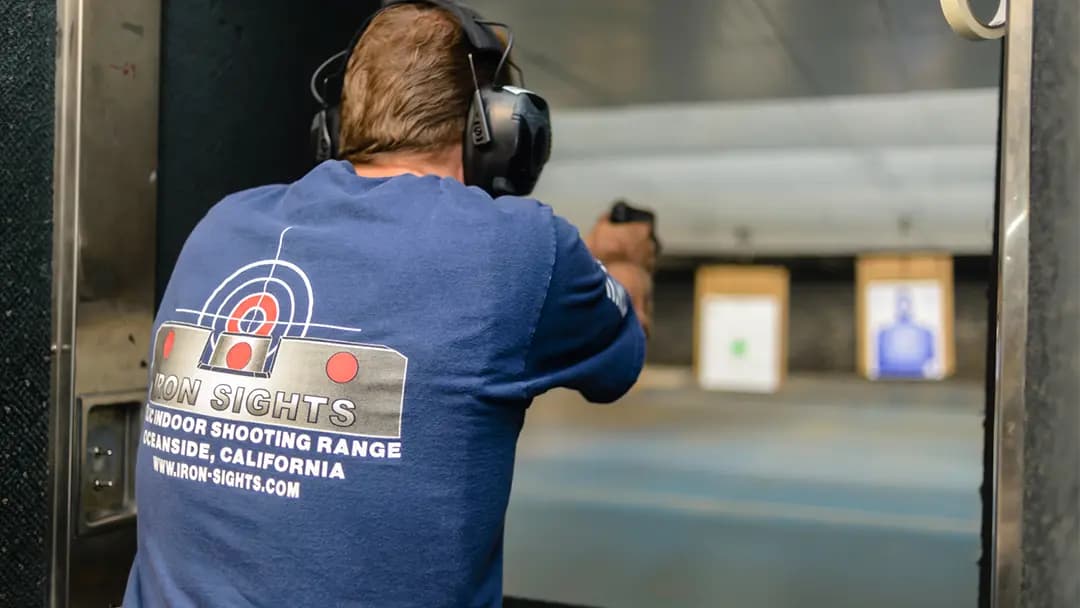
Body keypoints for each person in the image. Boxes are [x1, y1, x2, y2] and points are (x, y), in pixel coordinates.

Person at [122, 2, 654, 607]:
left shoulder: (221, 225)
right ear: (500, 131)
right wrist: (625, 261)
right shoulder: (521, 245)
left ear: (336, 124)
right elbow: (622, 353)